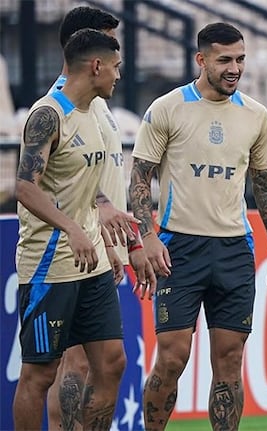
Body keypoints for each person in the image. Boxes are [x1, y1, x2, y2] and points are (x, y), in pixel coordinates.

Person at [129, 22, 267, 430]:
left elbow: (264, 183)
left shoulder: (256, 115)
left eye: (240, 59)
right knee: (173, 356)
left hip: (234, 248)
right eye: (225, 60)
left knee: (231, 360)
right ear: (201, 60)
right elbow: (139, 177)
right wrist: (147, 236)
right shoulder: (167, 108)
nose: (234, 68)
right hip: (179, 247)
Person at [44, 7, 156, 430]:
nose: (115, 61)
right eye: (109, 49)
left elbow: (106, 175)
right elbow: (64, 180)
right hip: (76, 247)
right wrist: (105, 221)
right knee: (72, 362)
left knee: (104, 363)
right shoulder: (63, 106)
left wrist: (130, 243)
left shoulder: (97, 105)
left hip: (102, 245)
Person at [13, 29, 126, 431]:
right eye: (115, 67)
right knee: (40, 375)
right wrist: (71, 229)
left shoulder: (93, 114)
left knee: (112, 362)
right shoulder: (48, 115)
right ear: (95, 66)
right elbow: (25, 186)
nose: (118, 75)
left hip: (91, 261)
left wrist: (104, 219)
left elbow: (79, 180)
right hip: (50, 264)